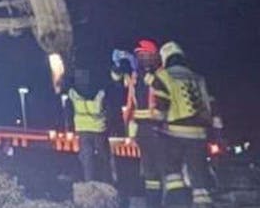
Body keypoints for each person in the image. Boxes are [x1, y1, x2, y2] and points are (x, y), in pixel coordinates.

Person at [153, 41, 217, 207]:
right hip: (199, 134)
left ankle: (178, 203)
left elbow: (161, 106)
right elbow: (211, 105)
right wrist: (217, 133)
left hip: (174, 133)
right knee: (198, 177)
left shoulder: (163, 76)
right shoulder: (198, 78)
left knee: (173, 174)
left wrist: (156, 125)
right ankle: (202, 204)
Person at [115, 40, 169, 201]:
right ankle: (153, 202)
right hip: (143, 131)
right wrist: (129, 129)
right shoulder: (136, 76)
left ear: (154, 56)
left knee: (165, 169)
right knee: (149, 171)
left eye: (145, 55)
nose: (141, 59)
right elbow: (131, 102)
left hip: (160, 129)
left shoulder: (163, 75)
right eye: (139, 56)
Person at [65, 68, 109, 183]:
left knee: (86, 158)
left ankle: (89, 182)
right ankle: (105, 182)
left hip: (82, 129)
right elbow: (107, 109)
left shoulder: (73, 93)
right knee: (103, 158)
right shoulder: (100, 94)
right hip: (99, 129)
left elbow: (68, 108)